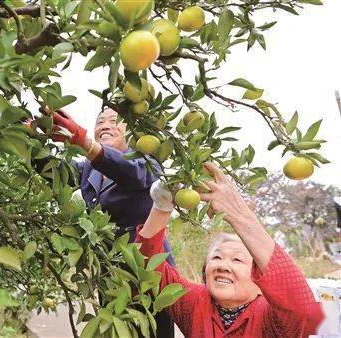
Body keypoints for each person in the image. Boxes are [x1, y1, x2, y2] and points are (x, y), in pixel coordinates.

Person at [137, 162, 325, 337]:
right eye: (216, 258)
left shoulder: (270, 318)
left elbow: (302, 310)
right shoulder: (194, 303)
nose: (223, 265)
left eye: (237, 260)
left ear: (261, 279)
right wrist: (162, 205)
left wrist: (239, 215)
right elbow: (150, 267)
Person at [46, 106, 175, 338]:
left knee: (154, 330)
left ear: (130, 130)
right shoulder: (89, 170)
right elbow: (56, 173)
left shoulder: (146, 161)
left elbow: (130, 172)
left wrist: (86, 144)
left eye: (114, 120)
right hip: (111, 268)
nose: (105, 125)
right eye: (100, 121)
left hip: (147, 265)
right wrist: (31, 137)